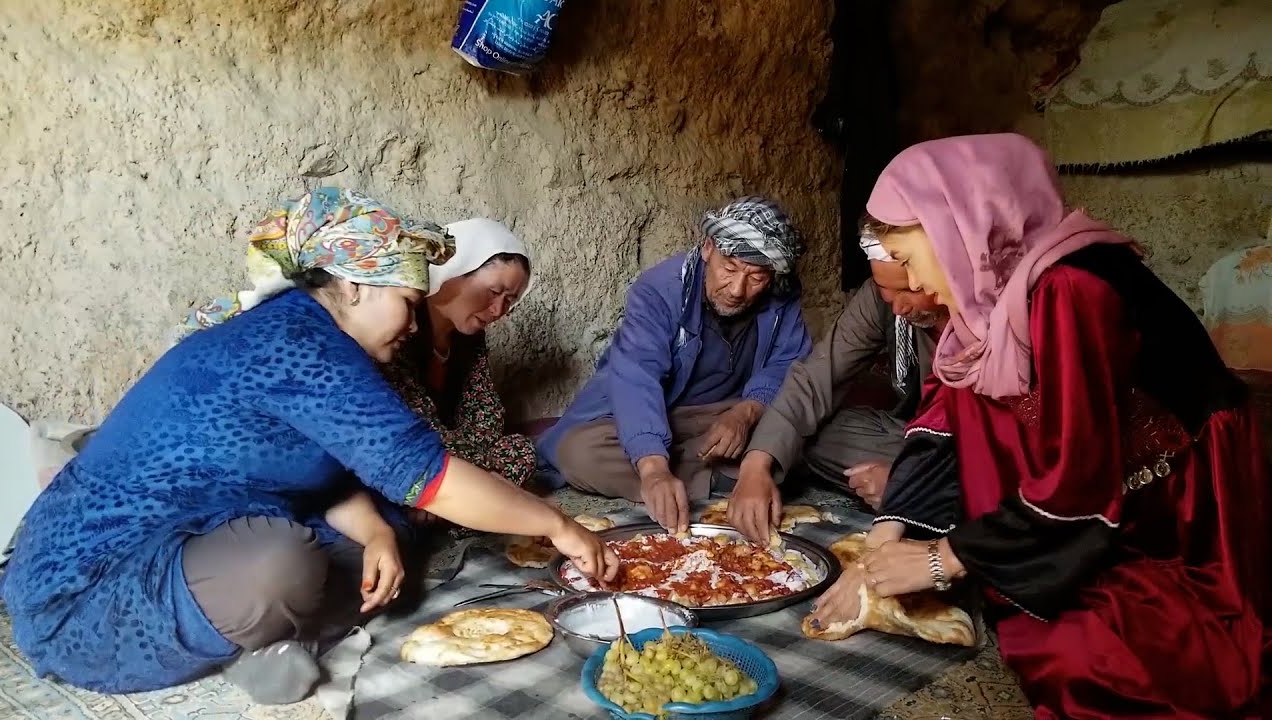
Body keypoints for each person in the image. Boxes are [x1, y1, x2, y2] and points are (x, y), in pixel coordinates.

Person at [0, 188, 617, 706]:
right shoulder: (298, 343)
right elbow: (429, 474)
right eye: (404, 303)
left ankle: (261, 640)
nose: (409, 324)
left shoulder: (316, 335)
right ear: (351, 287)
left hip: (200, 537)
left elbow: (324, 472)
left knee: (389, 540)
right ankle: (254, 637)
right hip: (87, 592)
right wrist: (558, 526)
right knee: (281, 563)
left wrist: (375, 532)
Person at [807, 134, 1271, 719]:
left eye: (907, 257)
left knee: (1083, 655)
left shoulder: (1070, 287)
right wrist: (880, 546)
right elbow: (945, 419)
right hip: (1099, 485)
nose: (915, 285)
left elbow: (1078, 479)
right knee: (1018, 593)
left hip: (1176, 502)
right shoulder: (989, 304)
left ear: (960, 223)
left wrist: (942, 558)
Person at [538, 196, 812, 533]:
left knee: (811, 425)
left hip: (730, 413)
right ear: (708, 248)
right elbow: (637, 377)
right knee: (578, 452)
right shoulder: (659, 289)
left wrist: (746, 413)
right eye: (729, 269)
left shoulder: (782, 294)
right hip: (664, 412)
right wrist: (653, 468)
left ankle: (726, 473)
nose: (738, 289)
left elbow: (788, 363)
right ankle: (727, 477)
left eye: (756, 278)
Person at [727, 227, 947, 543]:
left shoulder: (976, 309)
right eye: (887, 288)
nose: (899, 307)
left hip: (978, 457)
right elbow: (817, 377)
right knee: (810, 431)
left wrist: (909, 483)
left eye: (909, 290)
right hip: (912, 438)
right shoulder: (881, 298)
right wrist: (755, 466)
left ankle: (930, 501)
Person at [382, 219, 537, 528]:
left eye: (510, 301)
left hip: (455, 453)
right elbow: (414, 424)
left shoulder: (469, 337)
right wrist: (482, 475)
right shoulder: (401, 325)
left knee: (520, 450)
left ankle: (460, 502)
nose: (498, 311)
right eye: (494, 291)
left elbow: (486, 413)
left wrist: (474, 464)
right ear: (454, 271)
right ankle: (469, 500)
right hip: (412, 453)